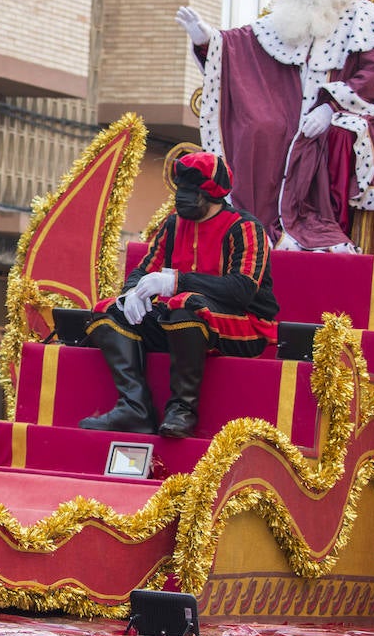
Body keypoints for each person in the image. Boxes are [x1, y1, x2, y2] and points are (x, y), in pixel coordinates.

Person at [175, 0, 374, 253]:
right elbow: (245, 46)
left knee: (338, 133)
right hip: (288, 111)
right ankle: (253, 227)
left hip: (340, 114)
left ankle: (317, 228)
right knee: (259, 128)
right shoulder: (289, 18)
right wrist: (208, 40)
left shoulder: (368, 19)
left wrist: (330, 108)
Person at [78, 151, 279, 439]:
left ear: (211, 194)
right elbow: (144, 269)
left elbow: (242, 290)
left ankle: (182, 409)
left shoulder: (244, 228)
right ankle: (135, 407)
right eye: (181, 191)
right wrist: (134, 292)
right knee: (109, 310)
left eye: (191, 192)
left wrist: (176, 281)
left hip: (245, 327)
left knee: (185, 305)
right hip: (182, 323)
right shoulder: (173, 224)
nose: (183, 198)